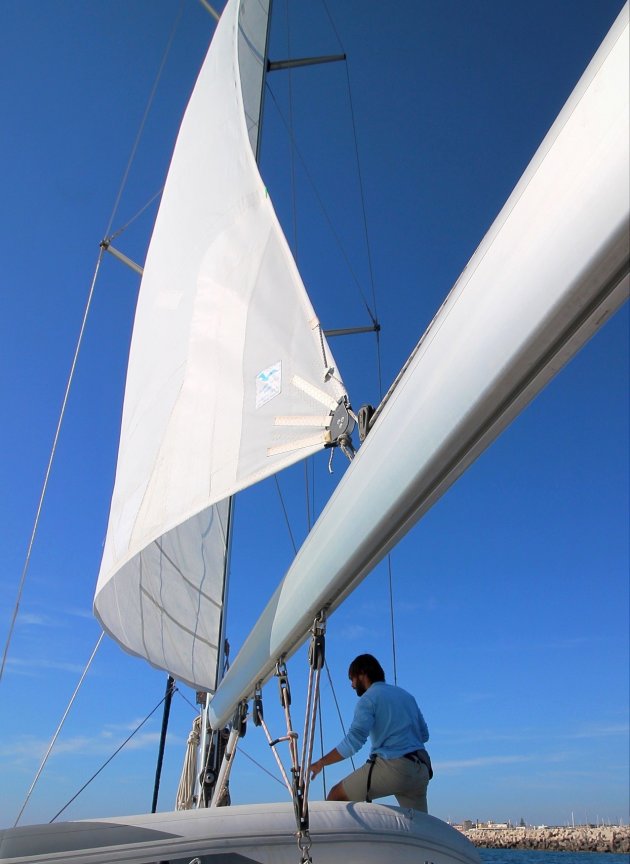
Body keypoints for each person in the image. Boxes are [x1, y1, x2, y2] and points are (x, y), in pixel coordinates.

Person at [310, 653, 432, 812]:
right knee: (418, 825)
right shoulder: (407, 696)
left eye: (351, 678)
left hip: (394, 768)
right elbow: (424, 735)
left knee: (335, 796)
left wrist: (321, 763)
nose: (352, 685)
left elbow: (353, 742)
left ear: (362, 674)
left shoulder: (369, 699)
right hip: (420, 770)